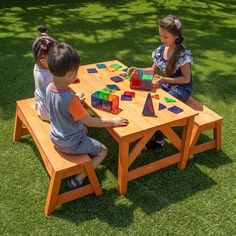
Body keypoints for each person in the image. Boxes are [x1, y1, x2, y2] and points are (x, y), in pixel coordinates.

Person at [46, 43, 129, 189]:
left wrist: (75, 98)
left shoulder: (49, 88)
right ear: (70, 74)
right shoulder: (71, 100)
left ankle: (82, 157)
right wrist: (113, 121)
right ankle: (78, 178)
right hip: (70, 143)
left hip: (55, 136)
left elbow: (60, 104)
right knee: (103, 150)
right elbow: (90, 121)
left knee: (83, 129)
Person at [129, 15, 193, 150]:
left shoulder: (183, 54)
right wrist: (138, 69)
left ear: (176, 36)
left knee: (159, 105)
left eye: (165, 37)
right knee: (147, 97)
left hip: (182, 88)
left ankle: (159, 141)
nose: (162, 39)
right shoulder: (160, 50)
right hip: (168, 84)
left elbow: (186, 79)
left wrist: (163, 79)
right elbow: (152, 71)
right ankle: (145, 130)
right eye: (160, 36)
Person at [32, 26, 56, 121]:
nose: (56, 58)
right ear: (43, 60)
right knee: (82, 127)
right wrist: (74, 98)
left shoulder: (38, 67)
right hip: (49, 112)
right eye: (54, 57)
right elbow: (58, 98)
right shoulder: (47, 78)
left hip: (41, 106)